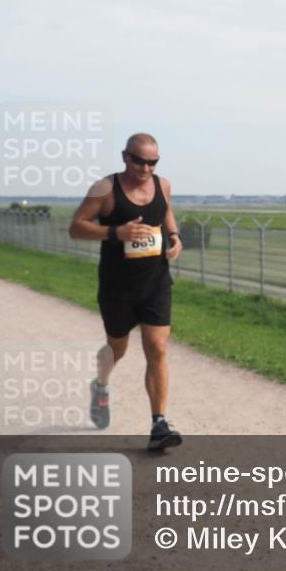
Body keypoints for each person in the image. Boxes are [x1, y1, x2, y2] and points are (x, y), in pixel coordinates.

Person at [69, 132, 184, 450]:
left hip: (156, 282)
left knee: (157, 348)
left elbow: (166, 212)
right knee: (115, 350)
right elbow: (76, 227)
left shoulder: (163, 185)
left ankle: (159, 424)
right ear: (125, 156)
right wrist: (114, 231)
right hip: (117, 286)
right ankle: (100, 385)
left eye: (152, 162)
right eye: (139, 161)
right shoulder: (105, 189)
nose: (145, 168)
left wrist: (174, 236)